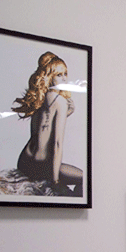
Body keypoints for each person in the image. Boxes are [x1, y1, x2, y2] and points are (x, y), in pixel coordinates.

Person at [12, 51, 83, 196]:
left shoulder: (39, 98)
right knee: (84, 178)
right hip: (42, 166)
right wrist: (55, 181)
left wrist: (67, 114)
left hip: (24, 162)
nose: (64, 78)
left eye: (65, 74)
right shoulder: (60, 101)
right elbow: (57, 143)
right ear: (50, 77)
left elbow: (42, 129)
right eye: (59, 75)